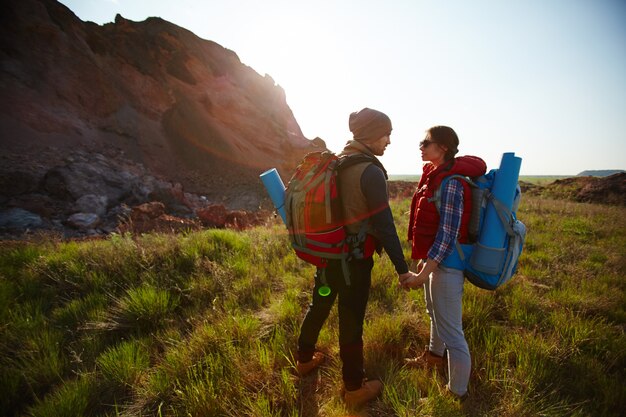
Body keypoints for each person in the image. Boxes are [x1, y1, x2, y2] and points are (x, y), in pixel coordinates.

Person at [295, 108, 419, 408]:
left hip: (327, 256)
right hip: (354, 261)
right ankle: (353, 387)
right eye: (385, 134)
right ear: (370, 134)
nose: (389, 140)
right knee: (351, 320)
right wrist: (402, 269)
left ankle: (303, 359)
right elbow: (384, 225)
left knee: (320, 304)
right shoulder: (370, 171)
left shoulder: (336, 162)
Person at [399, 126, 486, 401]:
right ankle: (434, 357)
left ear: (444, 148)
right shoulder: (432, 177)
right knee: (434, 314)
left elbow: (448, 234)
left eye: (427, 142)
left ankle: (455, 393)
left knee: (453, 332)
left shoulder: (450, 182)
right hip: (436, 262)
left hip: (447, 266)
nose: (421, 147)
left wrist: (424, 274)